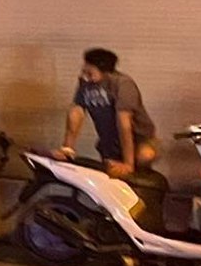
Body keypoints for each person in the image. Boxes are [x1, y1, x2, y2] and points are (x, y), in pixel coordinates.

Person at [58, 47, 157, 179]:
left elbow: (124, 124)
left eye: (89, 69)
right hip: (109, 145)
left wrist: (128, 163)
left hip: (139, 142)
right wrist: (67, 149)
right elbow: (76, 113)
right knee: (110, 175)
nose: (85, 72)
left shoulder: (122, 84)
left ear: (103, 69)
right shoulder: (85, 83)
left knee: (144, 155)